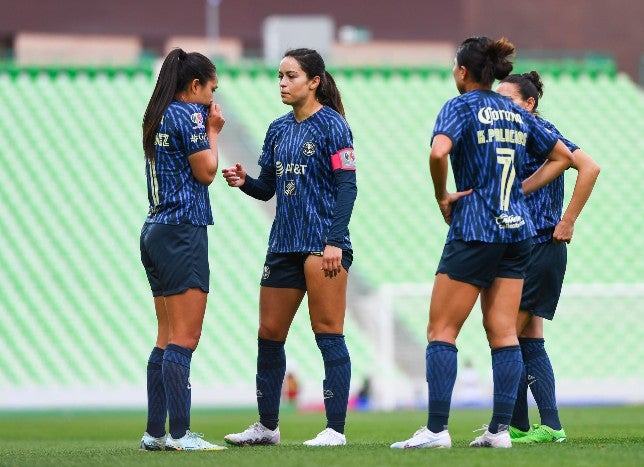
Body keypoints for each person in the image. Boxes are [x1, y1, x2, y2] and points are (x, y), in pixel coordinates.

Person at [390, 36, 574, 450]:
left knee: (442, 330)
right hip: (518, 230)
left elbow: (438, 153)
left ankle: (436, 430)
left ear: (462, 71)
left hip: (476, 228)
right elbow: (563, 157)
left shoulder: (460, 106)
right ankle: (500, 431)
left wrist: (442, 195)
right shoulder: (515, 110)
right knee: (504, 333)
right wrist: (518, 192)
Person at [222, 48, 357, 447]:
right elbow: (268, 188)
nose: (282, 83)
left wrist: (334, 241)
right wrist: (245, 182)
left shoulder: (334, 126)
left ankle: (335, 430)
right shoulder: (277, 129)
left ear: (314, 82)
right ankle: (267, 427)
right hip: (283, 243)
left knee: (328, 332)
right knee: (269, 334)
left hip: (321, 245)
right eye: (280, 76)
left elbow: (348, 186)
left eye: (291, 76)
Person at [495, 71, 600, 443]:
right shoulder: (512, 134)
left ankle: (514, 424)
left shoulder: (539, 130)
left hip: (540, 245)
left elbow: (589, 167)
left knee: (505, 334)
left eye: (507, 99)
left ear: (529, 104)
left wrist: (568, 220)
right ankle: (535, 426)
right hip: (524, 246)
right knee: (527, 336)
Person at [139, 48, 226, 451]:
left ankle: (155, 432)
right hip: (182, 231)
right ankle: (180, 434)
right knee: (185, 337)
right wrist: (214, 131)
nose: (212, 98)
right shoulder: (189, 114)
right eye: (211, 89)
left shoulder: (157, 115)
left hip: (154, 229)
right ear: (194, 86)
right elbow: (206, 172)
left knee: (165, 336)